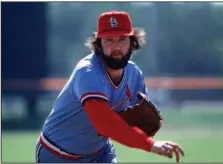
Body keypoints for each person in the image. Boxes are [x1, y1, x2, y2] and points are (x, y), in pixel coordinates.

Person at [35, 10, 185, 163]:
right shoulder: (88, 72)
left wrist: (138, 131)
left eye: (121, 39)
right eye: (109, 40)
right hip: (57, 154)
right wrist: (150, 145)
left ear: (133, 44)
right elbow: (104, 123)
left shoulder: (134, 75)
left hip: (100, 154)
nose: (116, 47)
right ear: (98, 45)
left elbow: (135, 119)